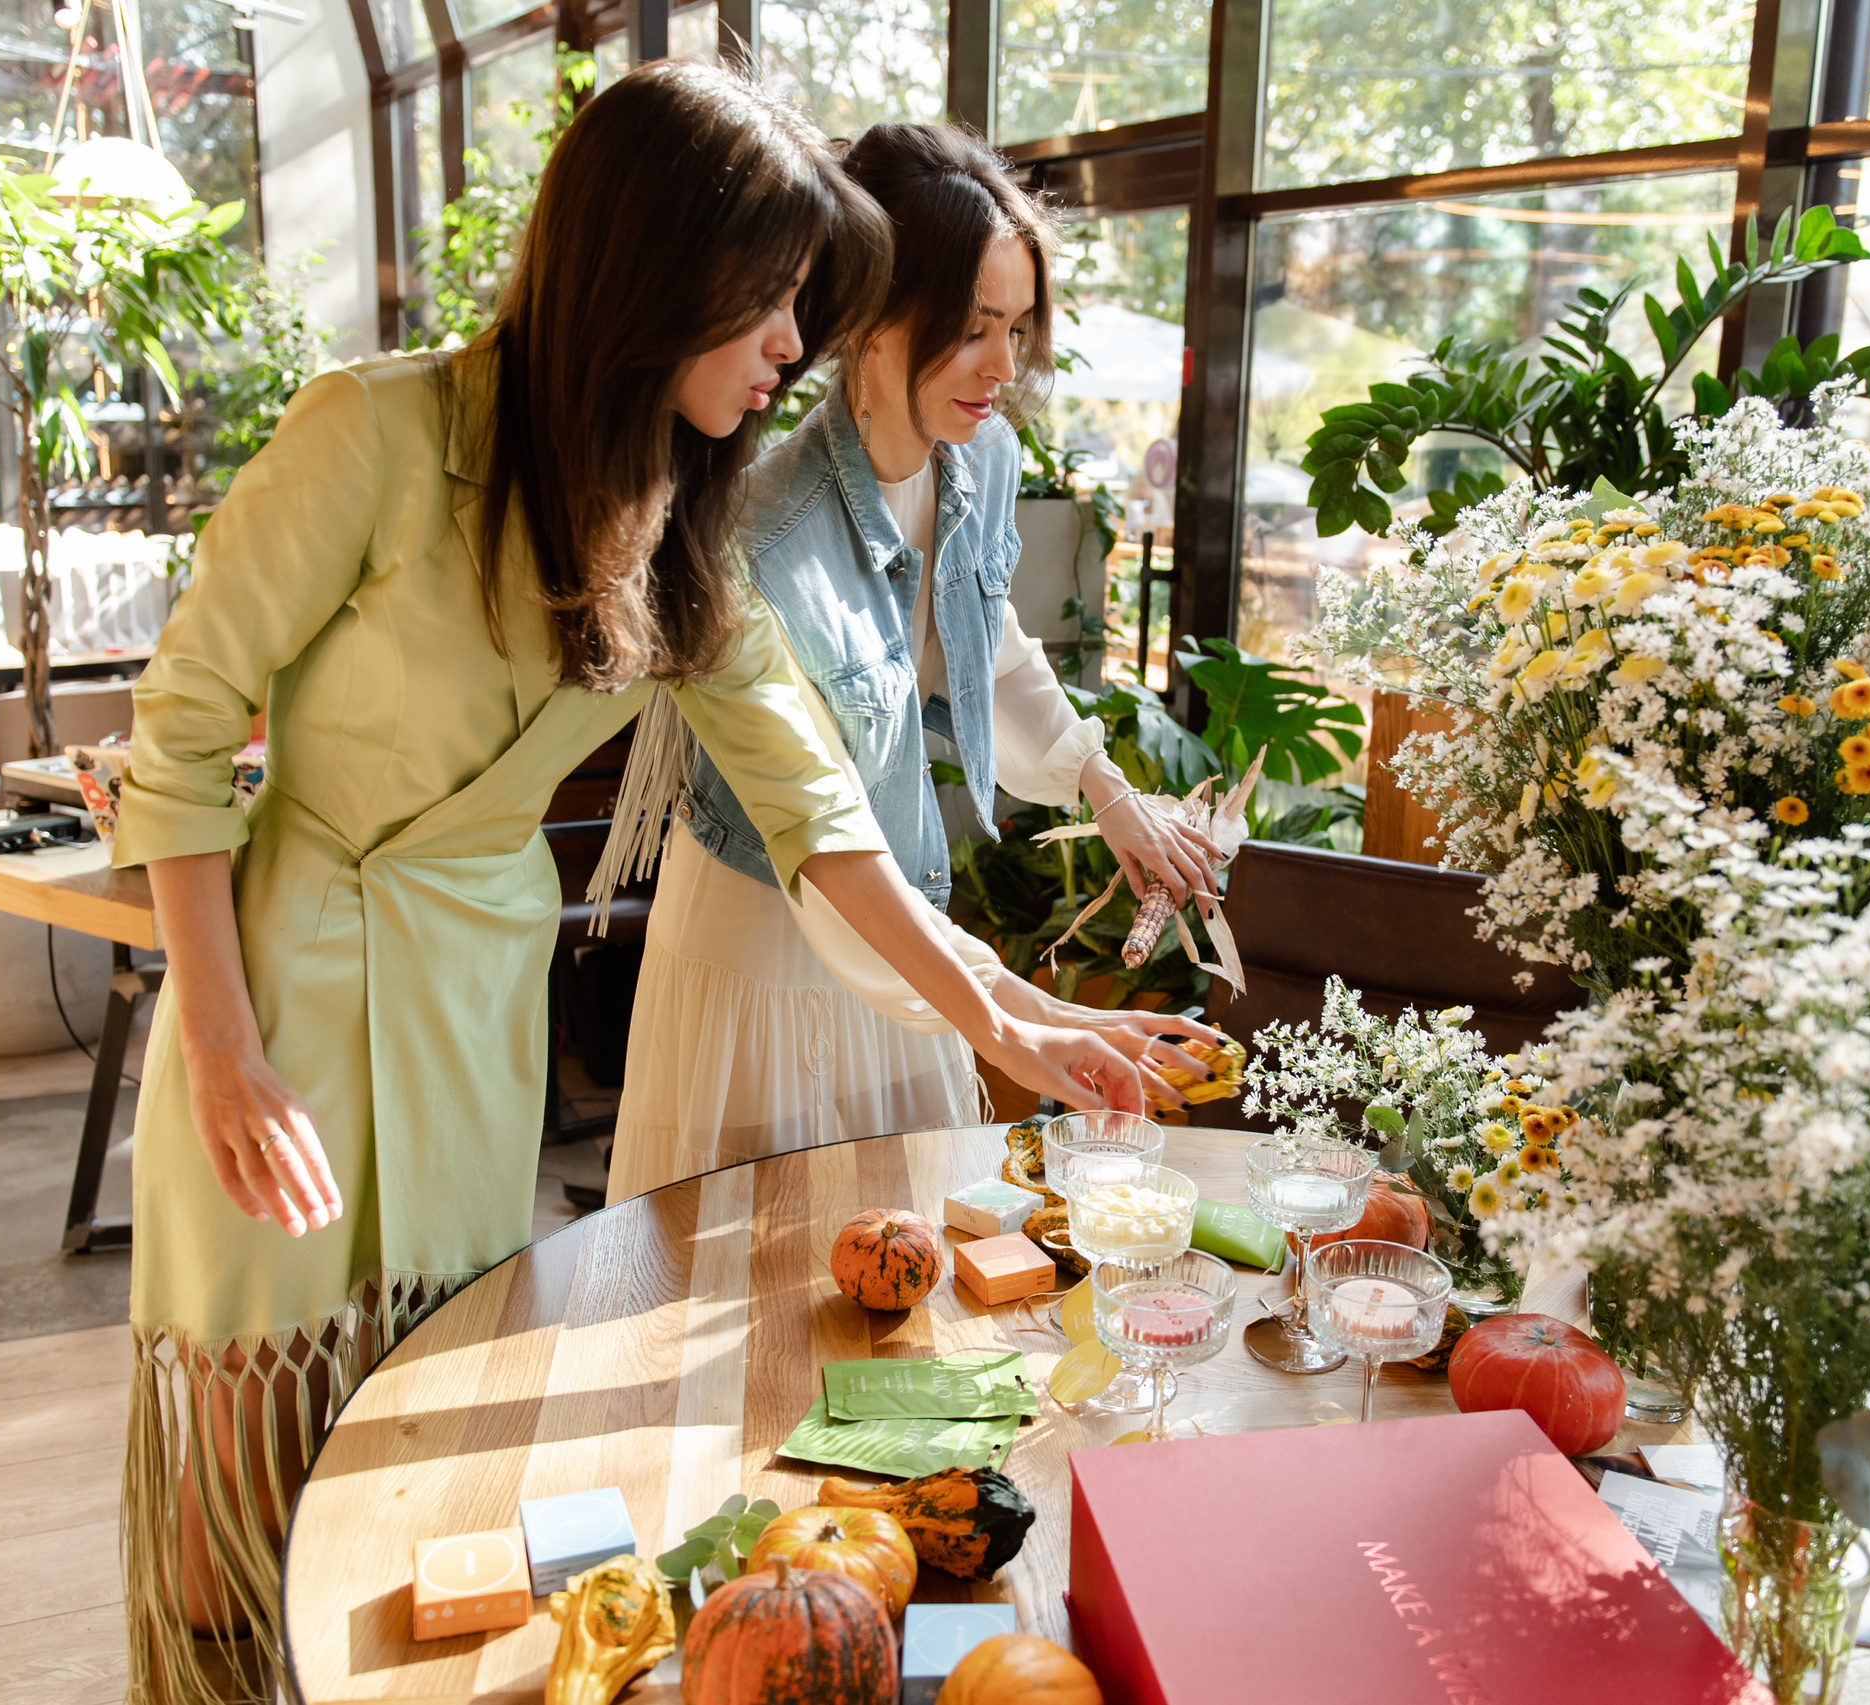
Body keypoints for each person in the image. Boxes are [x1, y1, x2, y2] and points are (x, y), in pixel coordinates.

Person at [111, 70, 1144, 1705]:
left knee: (408, 1449)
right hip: (284, 996)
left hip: (473, 1011)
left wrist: (1013, 1014)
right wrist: (223, 1049)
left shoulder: (679, 516)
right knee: (237, 1476)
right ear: (651, 272)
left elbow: (825, 819)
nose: (794, 346)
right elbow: (174, 741)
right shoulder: (369, 438)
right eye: (770, 303)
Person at [605, 122, 1222, 1202]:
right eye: (974, 326)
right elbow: (816, 827)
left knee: (908, 1265)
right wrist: (1036, 1014)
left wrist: (1108, 792)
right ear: (875, 322)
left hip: (910, 928)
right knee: (763, 1287)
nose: (1005, 364)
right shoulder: (763, 536)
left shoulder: (981, 459)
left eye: (1018, 326)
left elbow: (989, 647)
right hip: (770, 942)